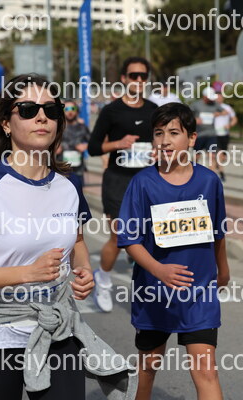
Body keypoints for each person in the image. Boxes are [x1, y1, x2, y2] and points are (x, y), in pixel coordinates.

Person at [0, 73, 136, 400]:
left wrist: (84, 272)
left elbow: (77, 242)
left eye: (51, 110)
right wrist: (27, 273)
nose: (41, 117)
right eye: (28, 109)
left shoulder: (69, 184)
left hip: (55, 323)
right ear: (6, 123)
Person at [118, 103, 229, 400]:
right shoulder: (142, 183)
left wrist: (224, 270)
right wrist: (159, 270)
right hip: (155, 293)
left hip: (199, 293)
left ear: (191, 138)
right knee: (148, 368)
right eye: (158, 133)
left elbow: (218, 233)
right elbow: (129, 239)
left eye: (173, 133)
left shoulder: (209, 181)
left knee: (206, 371)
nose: (165, 140)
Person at [87, 56, 158, 312]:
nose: (138, 80)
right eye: (133, 76)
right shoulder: (111, 111)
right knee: (119, 236)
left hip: (146, 181)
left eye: (143, 76)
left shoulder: (153, 110)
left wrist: (158, 151)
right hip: (117, 180)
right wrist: (119, 143)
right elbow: (93, 148)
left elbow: (161, 141)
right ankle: (103, 281)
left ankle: (149, 288)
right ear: (124, 79)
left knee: (149, 237)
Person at [190, 87, 226, 171]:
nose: (211, 100)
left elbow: (225, 112)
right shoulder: (196, 105)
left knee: (212, 156)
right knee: (196, 156)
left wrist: (219, 114)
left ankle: (211, 175)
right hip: (199, 134)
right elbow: (187, 115)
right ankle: (192, 172)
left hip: (211, 134)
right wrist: (194, 119)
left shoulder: (215, 104)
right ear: (204, 96)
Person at [58, 100, 90, 186]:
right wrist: (55, 148)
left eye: (72, 108)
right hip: (60, 169)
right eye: (66, 109)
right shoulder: (57, 127)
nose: (70, 111)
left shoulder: (82, 127)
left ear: (77, 111)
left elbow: (92, 141)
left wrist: (85, 146)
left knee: (78, 192)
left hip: (78, 170)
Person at [213, 92, 237, 182]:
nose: (219, 99)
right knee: (217, 154)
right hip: (214, 134)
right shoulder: (212, 107)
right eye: (217, 97)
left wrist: (230, 125)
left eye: (220, 97)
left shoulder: (227, 107)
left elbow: (234, 119)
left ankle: (217, 167)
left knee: (223, 156)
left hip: (224, 134)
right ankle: (221, 173)